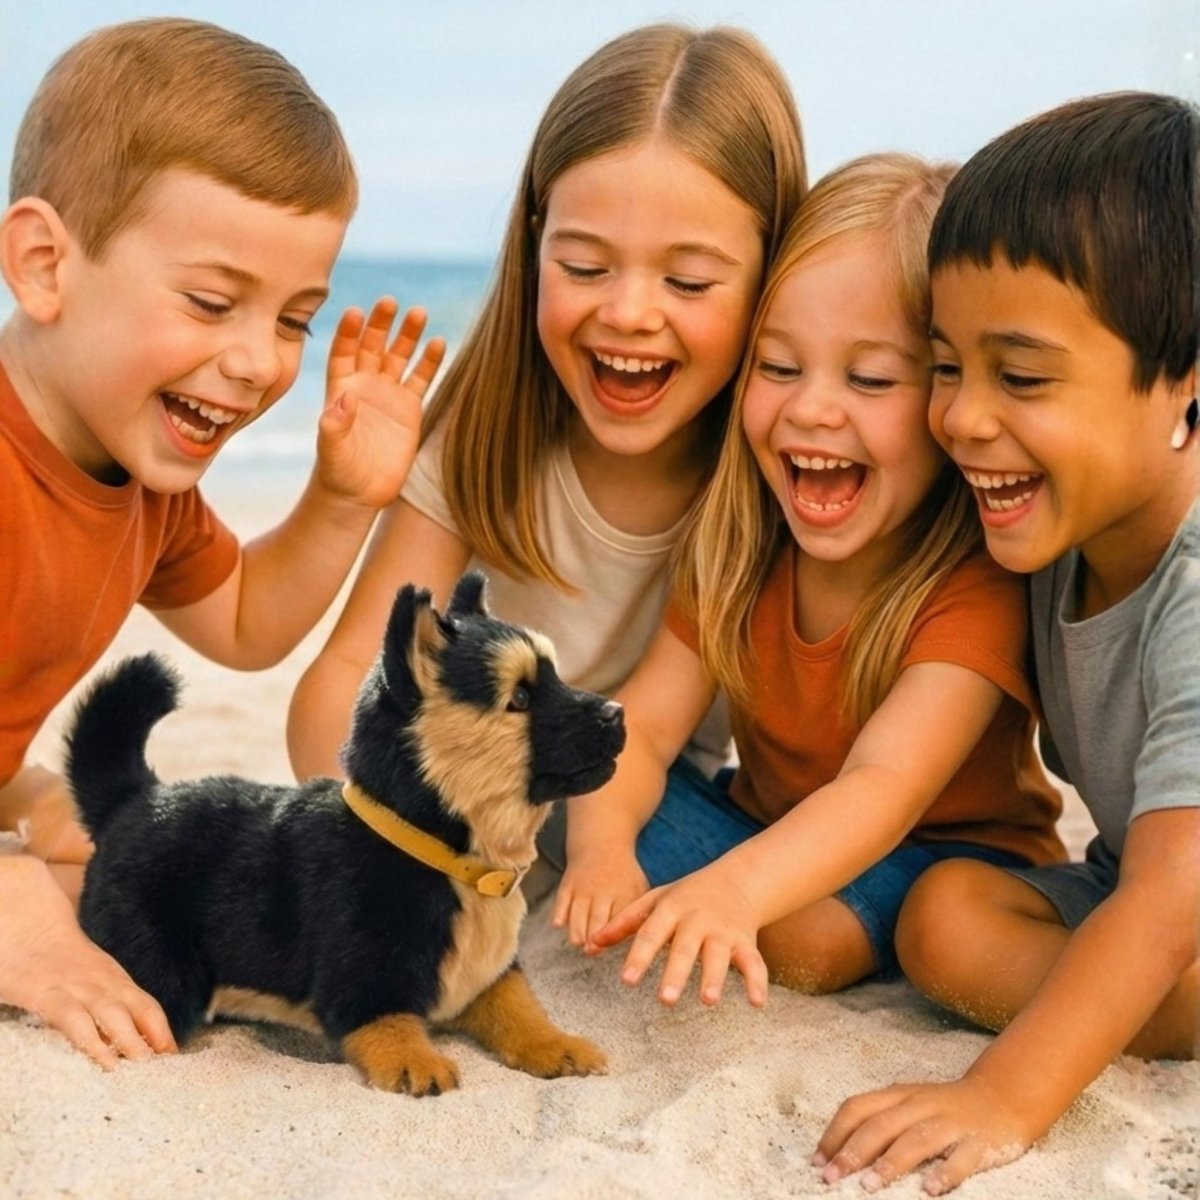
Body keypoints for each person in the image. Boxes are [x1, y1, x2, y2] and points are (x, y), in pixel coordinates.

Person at [0, 18, 444, 1068]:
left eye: (294, 319)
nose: (257, 362)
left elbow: (246, 626)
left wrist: (340, 500)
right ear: (43, 264)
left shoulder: (131, 473)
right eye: (211, 302)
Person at [286, 23, 808, 857]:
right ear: (533, 246)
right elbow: (348, 676)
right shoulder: (485, 438)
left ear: (771, 272)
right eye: (586, 267)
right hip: (471, 802)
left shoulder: (786, 463)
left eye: (688, 281)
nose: (630, 312)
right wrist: (381, 839)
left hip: (651, 806)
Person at [815, 93, 1200, 1195]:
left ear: (1185, 376)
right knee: (947, 922)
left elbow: (1174, 895)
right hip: (1137, 883)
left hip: (1176, 894)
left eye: (1021, 376)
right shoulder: (1050, 530)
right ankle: (1141, 990)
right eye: (945, 364)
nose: (963, 418)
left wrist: (1002, 1099)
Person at [572, 154, 1065, 1007]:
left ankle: (725, 895)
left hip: (937, 854)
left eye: (870, 378)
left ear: (947, 393)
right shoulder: (741, 546)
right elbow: (644, 731)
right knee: (573, 789)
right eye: (777, 367)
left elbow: (883, 787)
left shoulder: (972, 586)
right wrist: (601, 853)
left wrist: (733, 889)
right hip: (760, 827)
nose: (810, 410)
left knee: (804, 936)